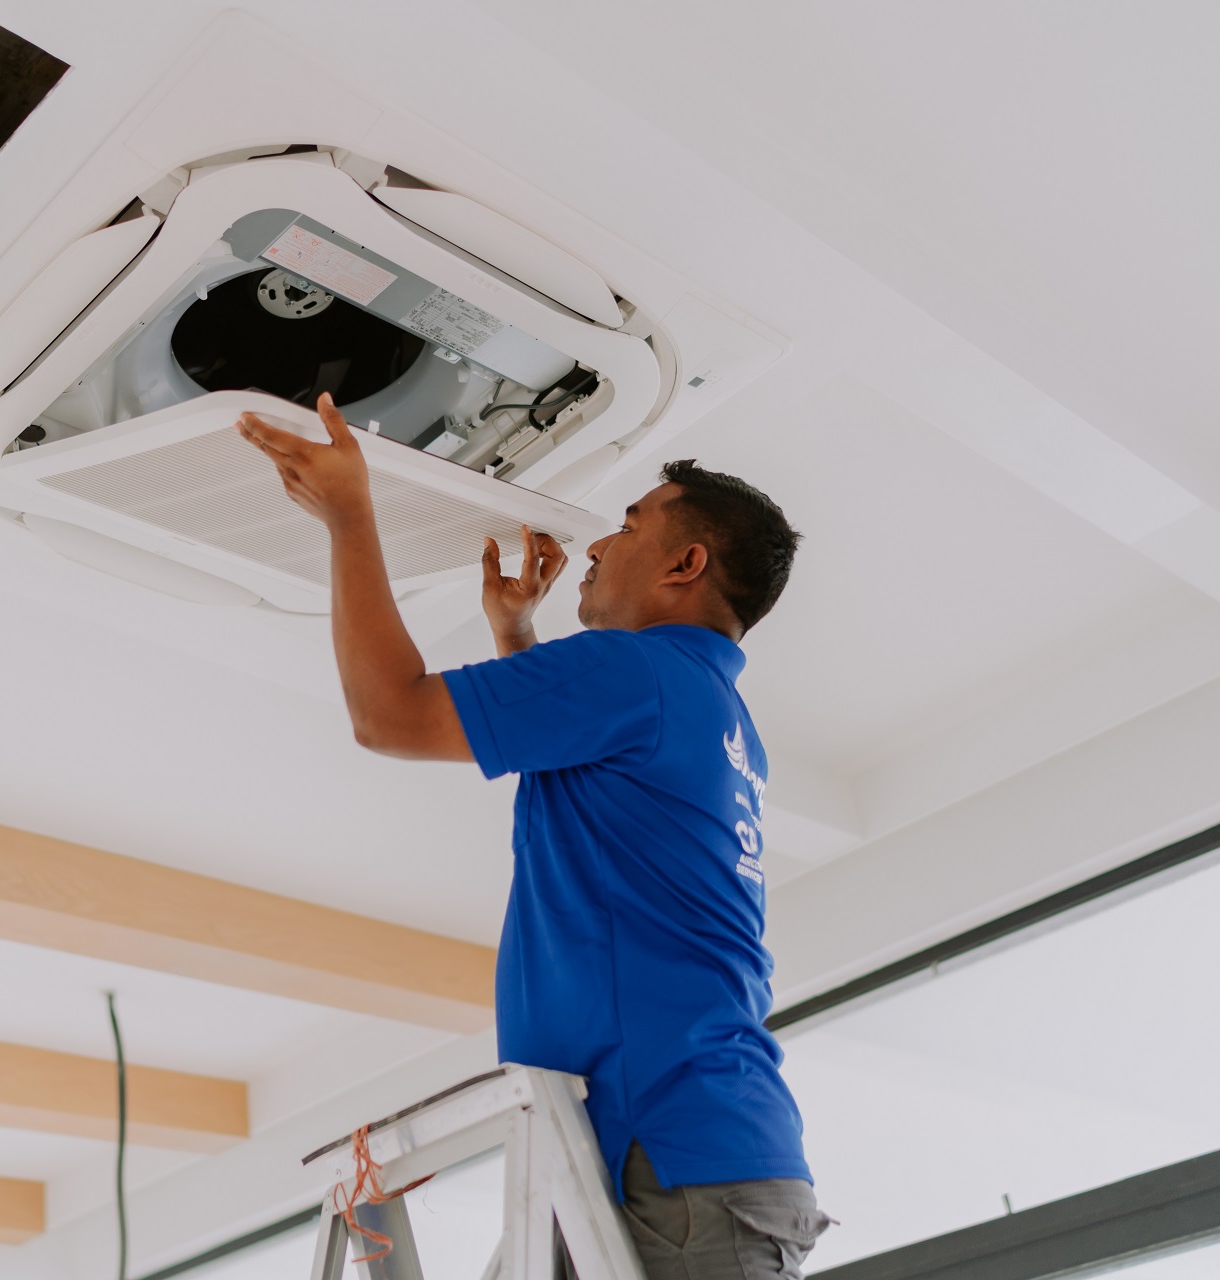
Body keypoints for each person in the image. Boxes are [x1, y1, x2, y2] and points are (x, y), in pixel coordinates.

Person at [239, 393, 829, 1280]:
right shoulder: (709, 708)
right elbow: (587, 785)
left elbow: (388, 714)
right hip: (668, 1150)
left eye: (629, 526)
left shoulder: (638, 672)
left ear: (686, 563)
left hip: (668, 1156)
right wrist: (517, 637)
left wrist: (350, 517)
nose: (597, 546)